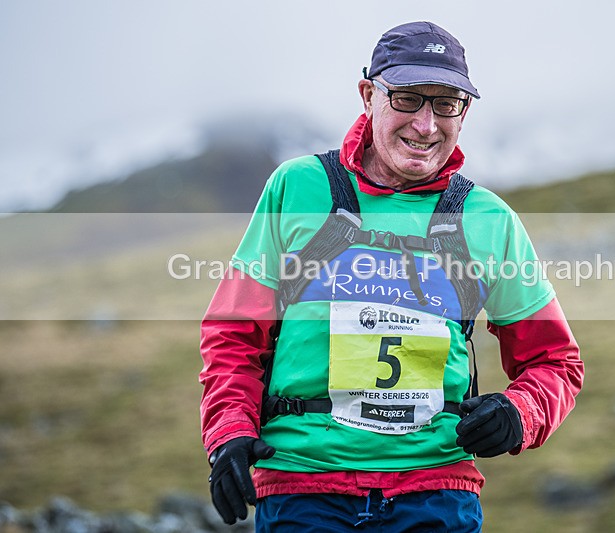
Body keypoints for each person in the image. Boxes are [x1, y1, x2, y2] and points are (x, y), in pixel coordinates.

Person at [200, 21, 584, 531]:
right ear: (368, 95)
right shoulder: (295, 188)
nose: (426, 125)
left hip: (436, 494)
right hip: (304, 490)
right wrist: (228, 429)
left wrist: (519, 413)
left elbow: (555, 360)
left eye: (446, 104)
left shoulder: (488, 219)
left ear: (463, 113)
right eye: (407, 99)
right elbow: (233, 332)